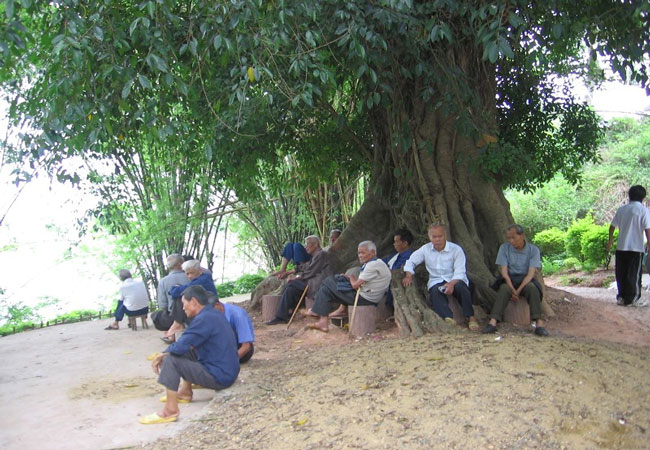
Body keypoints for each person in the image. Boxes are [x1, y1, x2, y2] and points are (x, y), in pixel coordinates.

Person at [140, 285, 239, 424]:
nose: (183, 308)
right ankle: (185, 392)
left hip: (220, 376)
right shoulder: (212, 314)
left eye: (184, 304)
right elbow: (187, 343)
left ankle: (170, 411)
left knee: (171, 360)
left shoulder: (204, 319)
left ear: (193, 301)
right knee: (180, 352)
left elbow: (182, 344)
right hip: (227, 371)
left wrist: (162, 355)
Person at [402, 224, 478, 330]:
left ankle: (471, 317)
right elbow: (411, 261)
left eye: (440, 236)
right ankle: (448, 318)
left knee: (462, 289)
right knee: (435, 292)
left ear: (445, 235)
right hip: (436, 280)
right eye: (434, 237)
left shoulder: (456, 250)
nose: (437, 239)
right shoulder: (426, 249)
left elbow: (460, 271)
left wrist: (451, 284)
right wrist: (408, 275)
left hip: (455, 279)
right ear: (429, 237)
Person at [307, 240, 391, 332]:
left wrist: (351, 278)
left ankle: (316, 311)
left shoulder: (372, 265)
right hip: (367, 294)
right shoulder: (378, 262)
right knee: (326, 289)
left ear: (372, 252)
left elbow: (355, 285)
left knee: (328, 281)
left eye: (363, 253)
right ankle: (323, 322)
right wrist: (348, 278)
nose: (360, 255)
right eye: (359, 253)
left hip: (364, 299)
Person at [481, 224, 548, 336]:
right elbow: (504, 272)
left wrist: (518, 290)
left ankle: (539, 323)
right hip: (510, 279)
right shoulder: (504, 248)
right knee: (503, 289)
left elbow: (531, 274)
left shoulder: (533, 250)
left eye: (514, 238)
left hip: (526, 280)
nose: (511, 241)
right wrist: (512, 289)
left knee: (532, 289)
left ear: (522, 236)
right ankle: (493, 322)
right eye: (509, 238)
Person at [266, 235, 332, 325]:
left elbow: (310, 271)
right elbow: (305, 267)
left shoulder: (321, 254)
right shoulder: (315, 256)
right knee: (291, 288)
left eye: (307, 244)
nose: (305, 247)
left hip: (317, 284)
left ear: (315, 244)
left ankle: (284, 314)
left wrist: (296, 277)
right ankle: (282, 316)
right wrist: (288, 273)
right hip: (311, 282)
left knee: (292, 284)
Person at [606, 185, 650, 307]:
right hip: (636, 248)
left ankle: (622, 297)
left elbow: (612, 226)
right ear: (642, 197)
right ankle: (633, 299)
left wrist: (610, 241)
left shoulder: (622, 209)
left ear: (629, 196)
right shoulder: (643, 210)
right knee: (634, 274)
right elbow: (647, 230)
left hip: (621, 247)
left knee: (621, 273)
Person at [164, 260, 218, 342]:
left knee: (180, 297)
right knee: (182, 295)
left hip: (208, 311)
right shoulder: (202, 277)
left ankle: (177, 324)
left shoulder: (202, 280)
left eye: (191, 273)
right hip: (203, 309)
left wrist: (175, 289)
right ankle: (177, 324)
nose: (189, 276)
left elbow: (178, 292)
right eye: (187, 273)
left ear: (199, 271)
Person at [272, 229, 341, 279]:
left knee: (297, 245)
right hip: (311, 259)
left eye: (334, 238)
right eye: (331, 237)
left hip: (314, 262)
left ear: (340, 238)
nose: (332, 239)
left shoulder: (336, 250)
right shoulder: (326, 247)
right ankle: (282, 269)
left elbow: (320, 260)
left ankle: (300, 268)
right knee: (289, 245)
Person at [212, 296, 256, 363]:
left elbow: (246, 346)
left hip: (240, 350)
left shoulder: (238, 315)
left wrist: (228, 361)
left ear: (218, 305)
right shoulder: (211, 316)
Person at [382, 228, 414, 308]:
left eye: (396, 242)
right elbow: (381, 262)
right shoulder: (393, 255)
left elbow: (397, 271)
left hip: (392, 284)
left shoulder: (410, 257)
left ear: (405, 243)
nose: (394, 244)